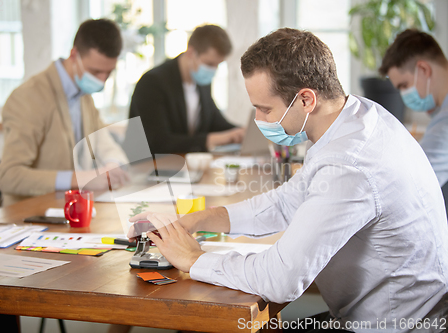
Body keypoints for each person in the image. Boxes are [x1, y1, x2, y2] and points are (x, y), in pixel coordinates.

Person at [130, 28, 448, 332]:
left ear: (306, 100)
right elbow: (285, 202)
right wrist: (198, 220)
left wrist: (194, 258)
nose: (258, 120)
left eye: (265, 109)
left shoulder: (348, 164)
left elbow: (282, 279)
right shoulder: (357, 118)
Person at [0, 19, 129, 206]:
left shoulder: (84, 96)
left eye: (108, 72)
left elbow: (103, 141)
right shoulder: (28, 97)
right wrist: (80, 178)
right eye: (95, 71)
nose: (102, 80)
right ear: (74, 55)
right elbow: (9, 176)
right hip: (28, 214)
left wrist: (112, 165)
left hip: (71, 210)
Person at [128, 24, 244, 154]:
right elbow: (159, 142)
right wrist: (211, 140)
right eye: (209, 64)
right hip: (149, 167)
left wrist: (241, 132)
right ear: (191, 52)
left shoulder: (202, 82)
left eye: (217, 65)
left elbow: (215, 122)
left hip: (184, 165)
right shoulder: (152, 82)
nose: (213, 70)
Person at [380, 29, 448, 188]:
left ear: (424, 70)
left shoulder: (444, 124)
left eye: (404, 85)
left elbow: (415, 187)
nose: (404, 95)